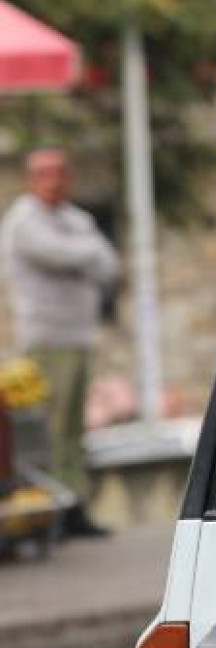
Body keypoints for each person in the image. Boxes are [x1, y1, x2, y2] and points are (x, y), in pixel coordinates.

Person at [1, 147, 119, 537]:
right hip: (47, 339)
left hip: (79, 336)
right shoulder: (23, 220)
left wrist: (84, 255)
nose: (54, 181)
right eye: (44, 173)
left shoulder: (77, 218)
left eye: (60, 173)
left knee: (73, 431)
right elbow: (57, 254)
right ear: (30, 179)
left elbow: (109, 265)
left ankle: (74, 506)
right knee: (48, 432)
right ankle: (49, 512)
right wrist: (87, 253)